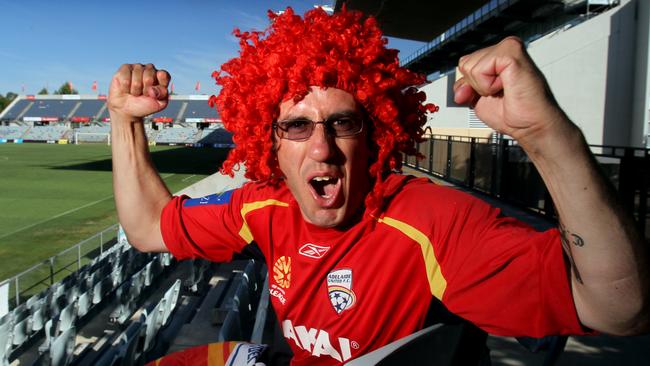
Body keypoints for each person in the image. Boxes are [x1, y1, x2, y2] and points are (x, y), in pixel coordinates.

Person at [108, 7, 649, 365]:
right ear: (268, 142)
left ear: (378, 135)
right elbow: (148, 227)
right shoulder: (263, 205)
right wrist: (123, 119)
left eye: (343, 123)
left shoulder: (432, 222)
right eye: (296, 126)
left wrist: (546, 135)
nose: (321, 148)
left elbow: (620, 307)